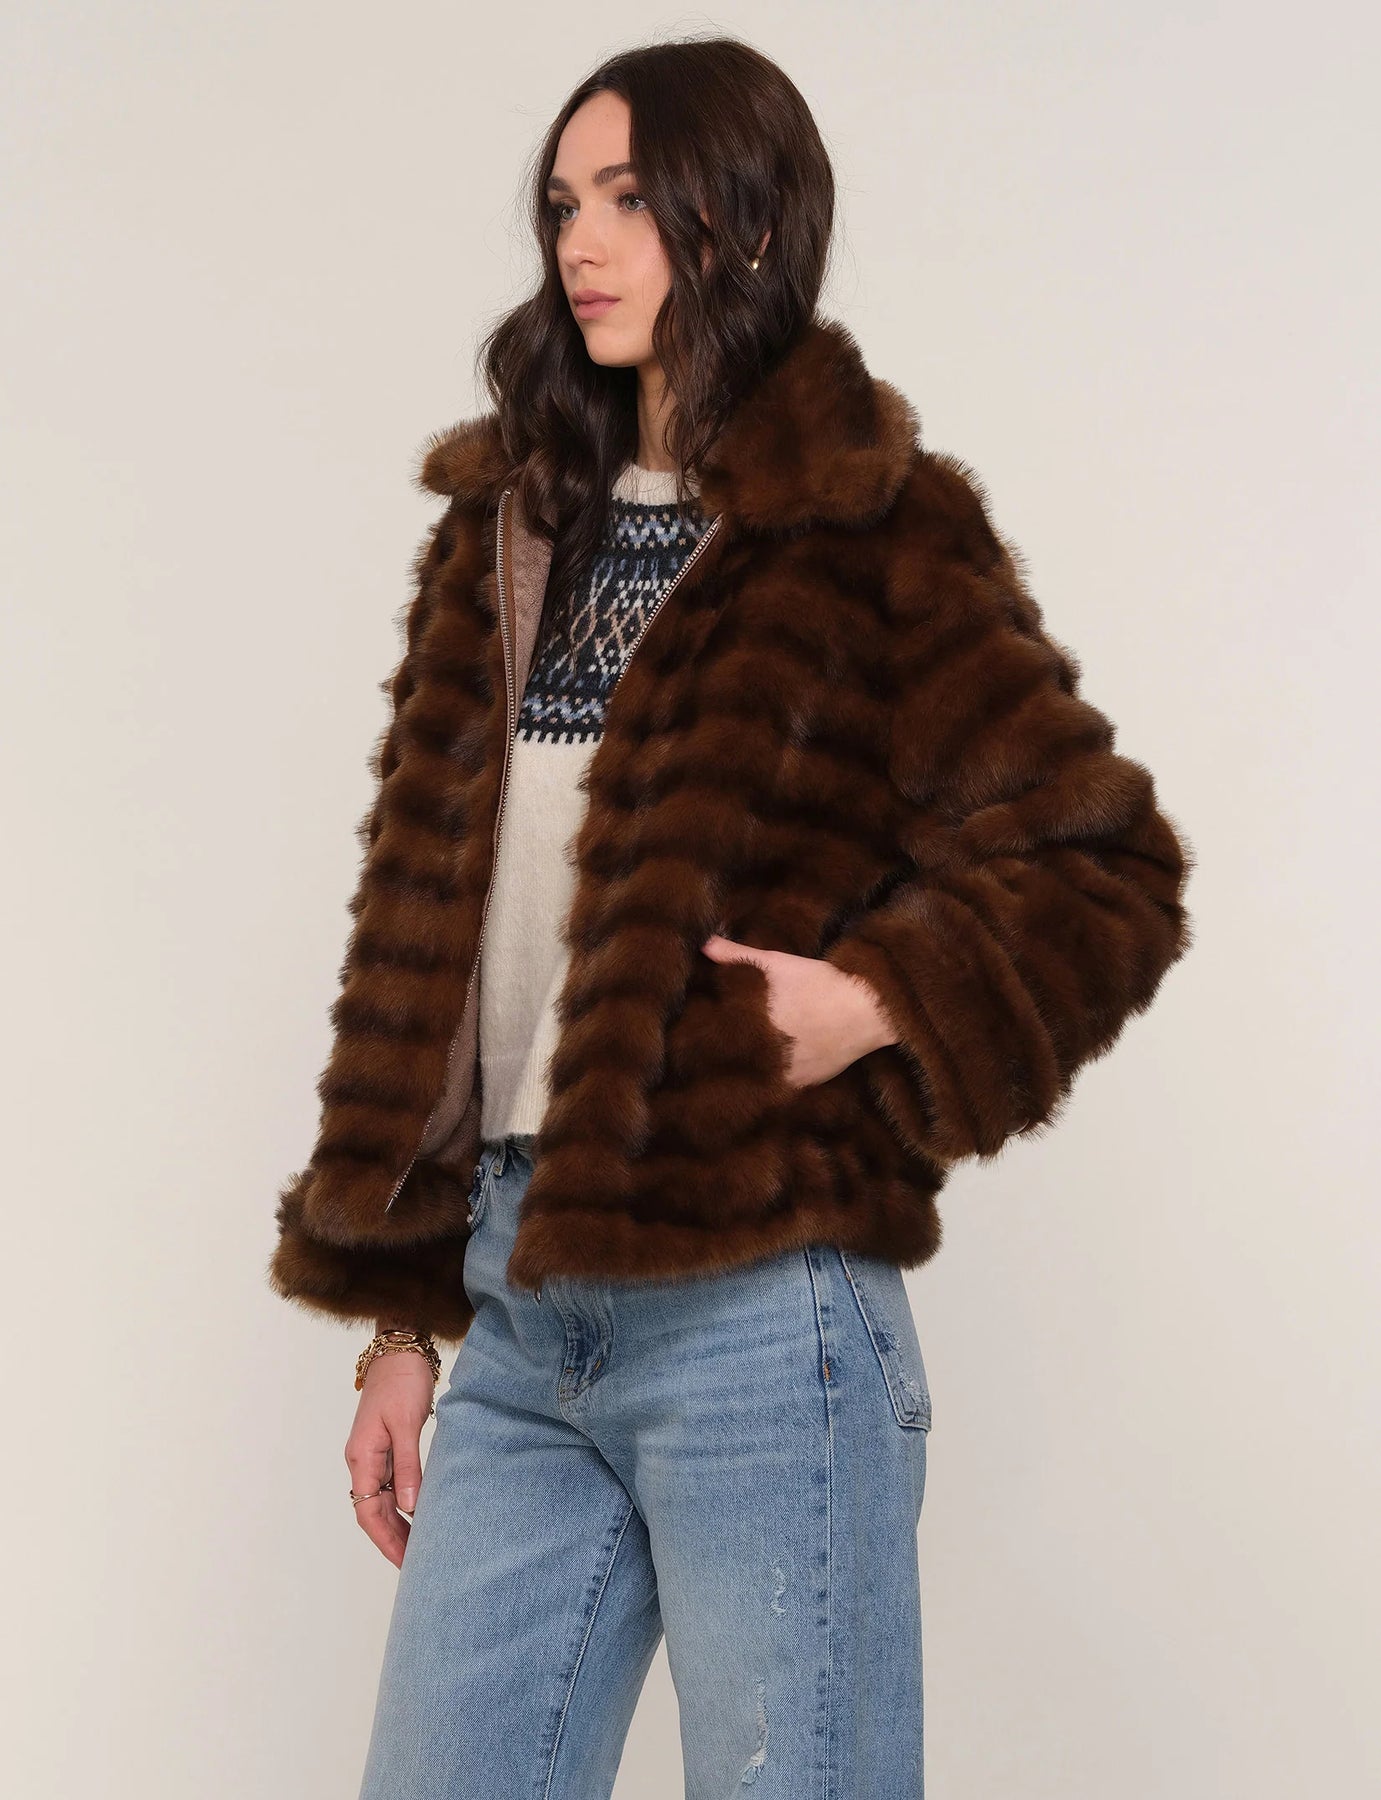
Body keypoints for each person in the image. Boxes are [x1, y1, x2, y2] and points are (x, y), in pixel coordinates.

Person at [268, 36, 1195, 1800]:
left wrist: (877, 1001)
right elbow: (424, 948)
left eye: (630, 199)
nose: (580, 241)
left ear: (748, 223)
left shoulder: (870, 530)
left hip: (765, 1319)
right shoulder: (503, 532)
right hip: (521, 1314)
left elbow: (1109, 866)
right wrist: (398, 1320)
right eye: (564, 202)